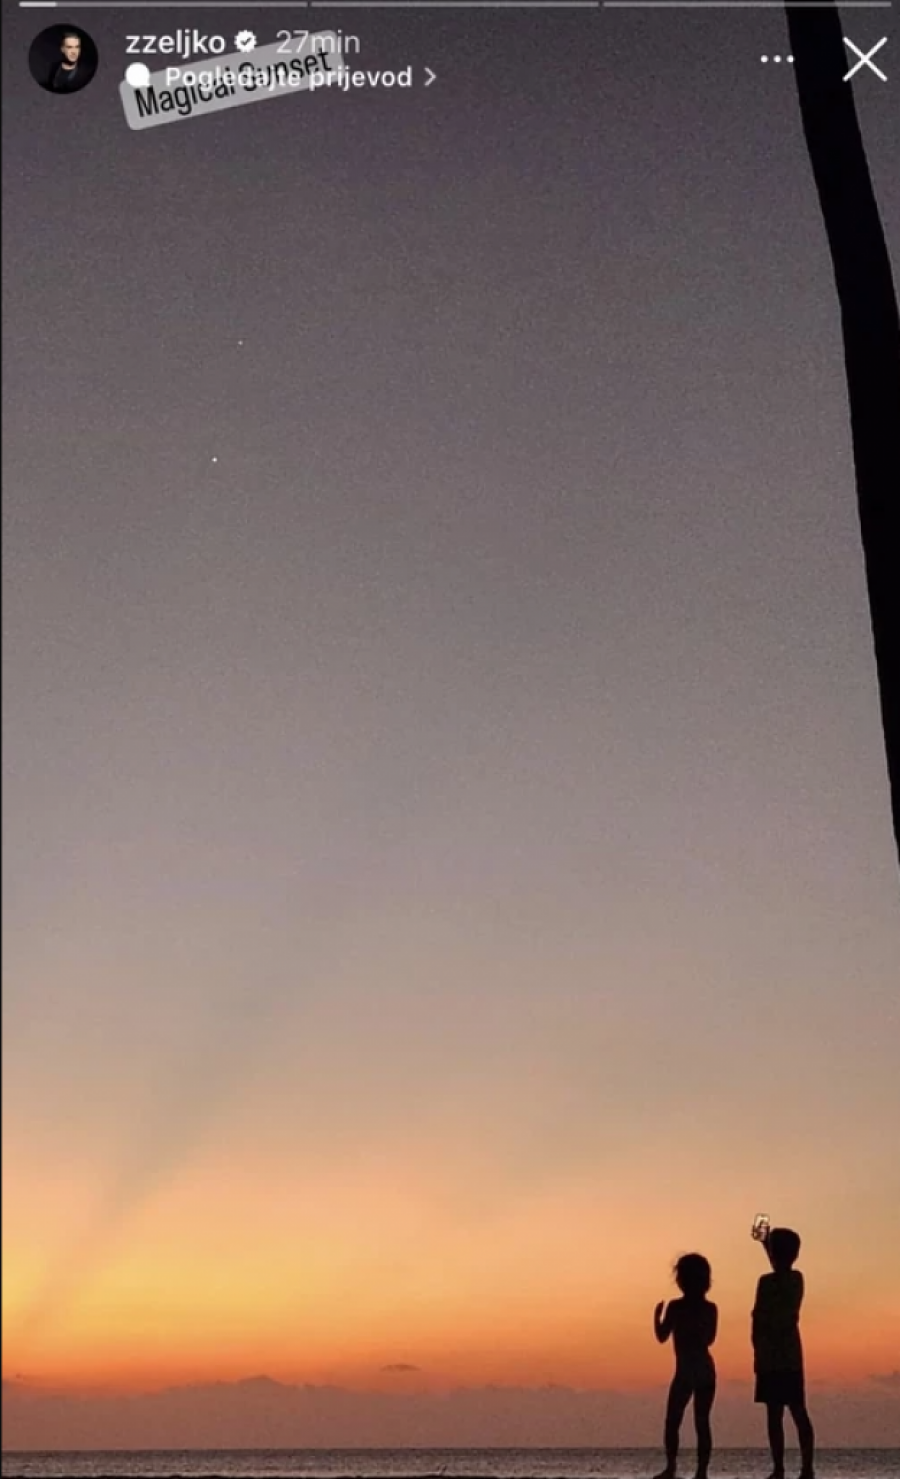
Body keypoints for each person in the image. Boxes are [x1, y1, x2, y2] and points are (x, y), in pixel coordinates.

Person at [752, 1226, 816, 1479]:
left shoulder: (772, 1282)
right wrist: (766, 1244)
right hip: (784, 1356)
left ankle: (785, 1469)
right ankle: (801, 1468)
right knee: (792, 1412)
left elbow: (761, 1318)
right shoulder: (794, 1279)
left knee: (780, 1414)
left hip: (775, 1356)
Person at [652, 1252, 718, 1479]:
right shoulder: (708, 1308)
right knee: (699, 1421)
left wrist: (657, 1318)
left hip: (689, 1370)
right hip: (702, 1369)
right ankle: (698, 1471)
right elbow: (709, 1338)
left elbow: (662, 1336)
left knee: (676, 1420)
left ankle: (677, 1468)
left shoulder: (678, 1307)